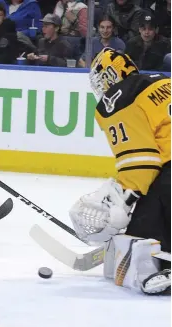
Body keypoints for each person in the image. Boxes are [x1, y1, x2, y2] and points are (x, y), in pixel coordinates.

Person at [69, 47, 171, 295]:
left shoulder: (120, 97)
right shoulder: (163, 82)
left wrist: (125, 199)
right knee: (144, 228)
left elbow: (142, 163)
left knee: (144, 228)